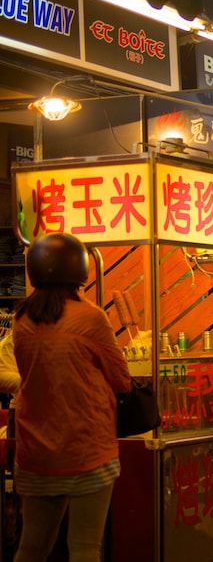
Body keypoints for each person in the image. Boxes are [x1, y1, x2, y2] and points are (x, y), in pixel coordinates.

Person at [12, 233, 131, 561]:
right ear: (80, 270)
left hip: (35, 451)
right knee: (84, 546)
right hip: (87, 449)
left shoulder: (22, 320)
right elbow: (121, 379)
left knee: (32, 547)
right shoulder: (91, 317)